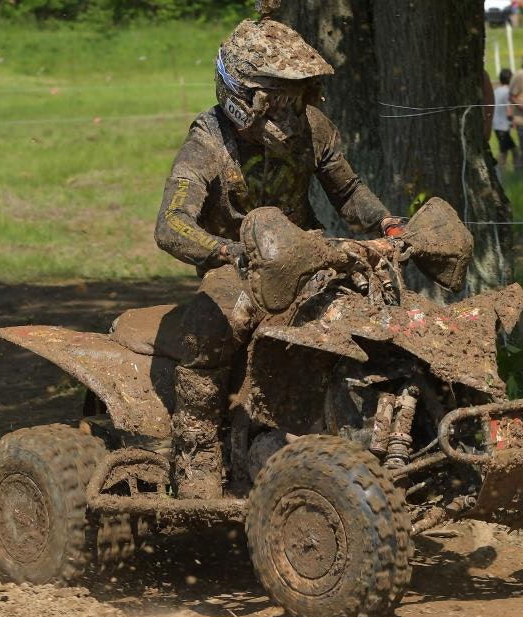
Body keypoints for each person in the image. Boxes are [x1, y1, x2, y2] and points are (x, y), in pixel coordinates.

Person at [153, 9, 401, 498]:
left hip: (309, 253)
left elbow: (348, 192)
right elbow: (171, 224)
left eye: (297, 99)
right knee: (213, 326)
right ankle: (197, 454)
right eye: (277, 101)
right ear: (243, 98)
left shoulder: (316, 129)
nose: (290, 115)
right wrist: (227, 251)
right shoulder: (207, 144)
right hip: (238, 267)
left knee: (383, 306)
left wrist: (389, 224)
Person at [492, 68, 516, 170]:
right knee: (511, 152)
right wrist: (514, 121)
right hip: (502, 127)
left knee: (505, 151)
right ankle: (499, 172)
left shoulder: (496, 90)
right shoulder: (507, 92)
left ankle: (501, 172)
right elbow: (509, 111)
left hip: (496, 125)